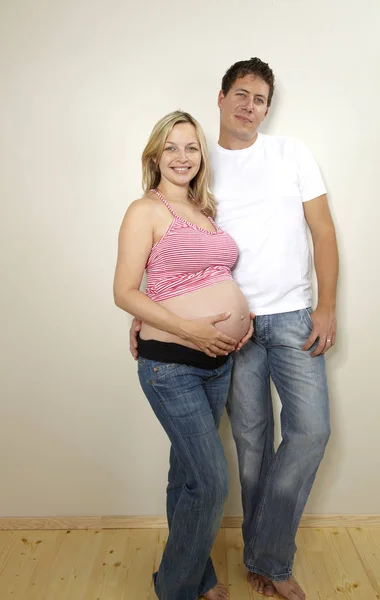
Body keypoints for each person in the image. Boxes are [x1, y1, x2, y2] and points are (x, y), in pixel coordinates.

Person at [130, 58, 339, 600]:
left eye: (261, 100)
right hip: (230, 336)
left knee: (312, 431)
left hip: (293, 314)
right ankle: (251, 563)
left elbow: (323, 230)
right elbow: (173, 252)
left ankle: (268, 554)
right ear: (221, 97)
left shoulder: (292, 153)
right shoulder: (199, 163)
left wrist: (327, 306)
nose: (251, 107)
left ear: (268, 108)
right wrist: (143, 311)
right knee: (249, 446)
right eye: (242, 95)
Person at [113, 110, 254, 600]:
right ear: (155, 154)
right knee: (212, 483)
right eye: (171, 147)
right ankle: (175, 589)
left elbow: (202, 277)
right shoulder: (144, 211)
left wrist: (241, 312)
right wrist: (190, 328)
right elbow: (125, 291)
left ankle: (199, 577)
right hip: (171, 365)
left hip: (217, 366)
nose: (181, 156)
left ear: (201, 156)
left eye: (191, 147)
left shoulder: (205, 212)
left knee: (187, 477)